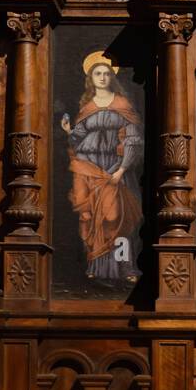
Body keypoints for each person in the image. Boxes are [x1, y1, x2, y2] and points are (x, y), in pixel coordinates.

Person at [62, 52, 143, 282]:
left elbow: (133, 139)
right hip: (89, 168)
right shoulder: (86, 107)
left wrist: (122, 169)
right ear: (90, 77)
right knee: (91, 217)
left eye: (107, 73)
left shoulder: (123, 104)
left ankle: (126, 268)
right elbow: (77, 138)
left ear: (112, 78)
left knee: (117, 217)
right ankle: (94, 266)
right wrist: (69, 131)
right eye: (97, 73)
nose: (102, 77)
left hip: (115, 168)